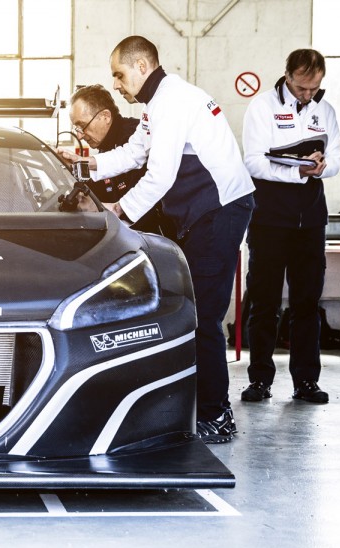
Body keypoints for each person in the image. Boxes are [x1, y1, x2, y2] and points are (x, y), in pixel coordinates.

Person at [59, 36, 255, 443]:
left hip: (220, 211)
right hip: (205, 214)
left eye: (120, 74)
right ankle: (207, 408)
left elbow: (160, 175)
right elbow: (134, 152)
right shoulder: (158, 104)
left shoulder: (172, 101)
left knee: (203, 317)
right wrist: (86, 162)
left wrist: (117, 212)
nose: (116, 84)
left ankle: (217, 415)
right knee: (196, 312)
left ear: (142, 66)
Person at [240, 49, 340, 405]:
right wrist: (294, 169)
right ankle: (260, 380)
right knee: (264, 303)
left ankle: (306, 383)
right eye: (301, 87)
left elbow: (337, 160)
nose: (307, 94)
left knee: (306, 304)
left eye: (314, 88)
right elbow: (252, 162)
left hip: (311, 220)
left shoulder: (324, 110)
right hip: (269, 219)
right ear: (287, 76)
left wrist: (319, 167)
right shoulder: (262, 107)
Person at [69, 84, 174, 238]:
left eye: (83, 126)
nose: (80, 136)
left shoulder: (133, 136)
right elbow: (99, 190)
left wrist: (112, 208)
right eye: (76, 128)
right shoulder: (106, 146)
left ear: (105, 116)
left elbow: (146, 210)